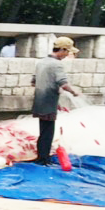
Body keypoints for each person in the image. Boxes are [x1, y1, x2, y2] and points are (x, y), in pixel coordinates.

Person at [32, 36, 81, 166]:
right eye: (67, 52)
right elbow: (63, 83)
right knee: (48, 132)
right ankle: (43, 159)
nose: (67, 55)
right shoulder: (57, 64)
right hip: (48, 102)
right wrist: (74, 92)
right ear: (63, 50)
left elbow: (34, 82)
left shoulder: (41, 62)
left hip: (39, 101)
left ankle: (40, 157)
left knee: (43, 131)